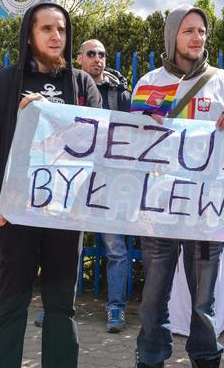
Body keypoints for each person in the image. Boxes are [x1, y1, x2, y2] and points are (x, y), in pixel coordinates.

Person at [0, 2, 102, 367]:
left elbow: (97, 142)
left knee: (62, 306)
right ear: (29, 34)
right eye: (46, 29)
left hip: (65, 214)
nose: (55, 36)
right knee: (12, 301)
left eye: (60, 29)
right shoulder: (5, 83)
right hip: (17, 213)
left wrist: (48, 112)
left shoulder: (82, 84)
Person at [131, 4, 224, 368]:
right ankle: (151, 357)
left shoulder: (223, 82)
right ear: (172, 36)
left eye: (201, 31)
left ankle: (206, 358)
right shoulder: (149, 83)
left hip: (205, 209)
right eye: (189, 31)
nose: (197, 38)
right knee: (153, 298)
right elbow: (133, 148)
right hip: (160, 207)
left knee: (203, 302)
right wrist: (142, 126)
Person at [32, 39, 132, 333]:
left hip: (108, 180)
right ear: (78, 58)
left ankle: (116, 309)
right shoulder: (65, 88)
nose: (98, 58)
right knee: (65, 247)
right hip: (71, 179)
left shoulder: (120, 93)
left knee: (115, 247)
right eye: (92, 54)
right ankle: (59, 307)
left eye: (102, 54)